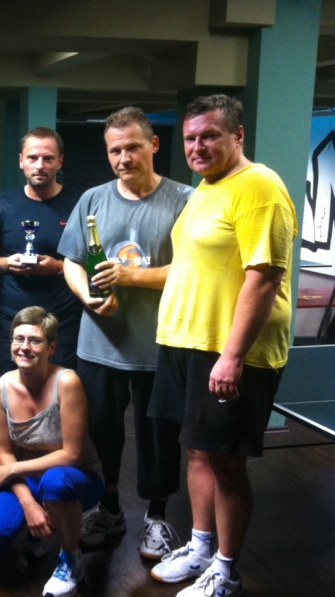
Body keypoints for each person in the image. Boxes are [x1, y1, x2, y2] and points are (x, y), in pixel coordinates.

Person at [148, 95, 296, 597]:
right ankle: (201, 548)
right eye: (190, 138)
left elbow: (265, 276)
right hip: (186, 341)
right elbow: (194, 266)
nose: (197, 146)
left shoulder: (259, 186)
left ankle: (227, 571)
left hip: (227, 350)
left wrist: (232, 357)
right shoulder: (206, 189)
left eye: (209, 135)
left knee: (226, 462)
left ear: (238, 136)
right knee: (197, 451)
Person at [58, 107, 192, 558]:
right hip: (100, 344)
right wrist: (88, 297)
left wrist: (130, 277)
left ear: (153, 145)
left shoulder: (185, 200)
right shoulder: (92, 199)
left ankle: (156, 518)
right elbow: (72, 262)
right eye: (115, 150)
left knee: (159, 437)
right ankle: (109, 509)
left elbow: (193, 269)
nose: (123, 158)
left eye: (133, 147)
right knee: (102, 434)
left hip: (162, 344)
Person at [0, 307, 105, 597]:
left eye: (35, 340)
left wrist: (11, 469)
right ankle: (39, 529)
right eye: (18, 339)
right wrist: (29, 506)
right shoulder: (1, 388)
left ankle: (71, 558)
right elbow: (5, 452)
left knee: (56, 481)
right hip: (29, 479)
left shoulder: (67, 382)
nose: (24, 347)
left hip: (77, 477)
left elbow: (71, 455)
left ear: (51, 348)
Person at [0, 127, 82, 376]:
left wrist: (58, 267)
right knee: (6, 388)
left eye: (48, 158)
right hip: (10, 319)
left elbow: (91, 262)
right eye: (32, 157)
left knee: (61, 388)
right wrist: (8, 263)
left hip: (62, 320)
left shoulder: (79, 204)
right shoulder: (2, 205)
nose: (40, 165)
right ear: (21, 160)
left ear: (60, 161)